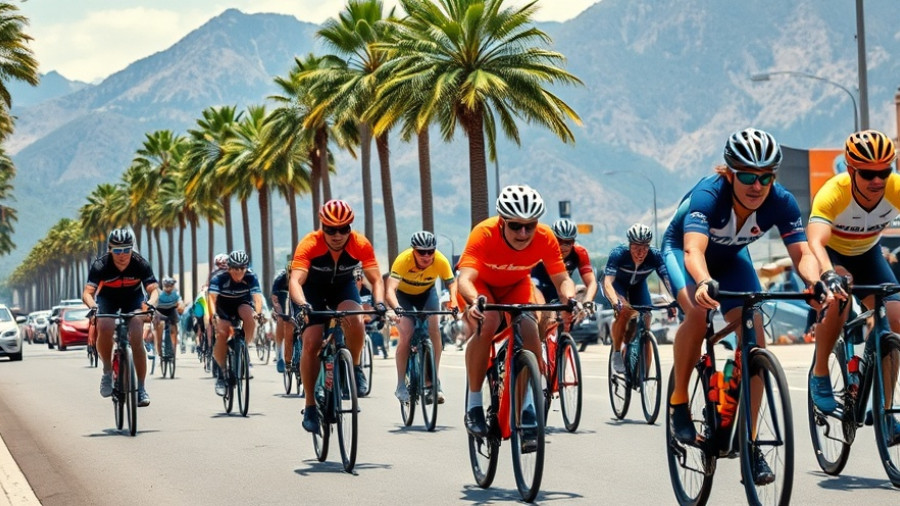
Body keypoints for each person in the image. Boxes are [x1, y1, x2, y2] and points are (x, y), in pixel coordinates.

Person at [662, 128, 828, 485]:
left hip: (733, 261)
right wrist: (704, 282)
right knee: (697, 309)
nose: (757, 185)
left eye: (766, 177)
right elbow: (693, 251)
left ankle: (750, 444)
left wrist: (813, 283)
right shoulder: (710, 195)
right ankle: (678, 401)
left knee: (755, 338)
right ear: (730, 173)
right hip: (685, 254)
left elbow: (802, 255)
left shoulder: (780, 202)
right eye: (748, 176)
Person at [458, 185, 581, 437]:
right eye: (515, 226)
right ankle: (473, 405)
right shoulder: (483, 233)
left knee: (530, 328)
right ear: (502, 221)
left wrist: (570, 299)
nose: (523, 232)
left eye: (530, 225)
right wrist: (474, 301)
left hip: (516, 285)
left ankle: (526, 406)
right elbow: (465, 279)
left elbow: (563, 280)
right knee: (488, 321)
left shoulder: (545, 237)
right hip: (482, 287)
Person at [807, 129, 900, 440]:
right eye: (868, 173)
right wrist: (827, 273)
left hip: (868, 253)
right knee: (838, 296)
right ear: (850, 170)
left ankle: (885, 410)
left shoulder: (895, 187)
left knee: (896, 317)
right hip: (833, 254)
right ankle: (820, 373)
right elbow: (816, 242)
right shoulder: (834, 193)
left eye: (884, 172)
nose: (877, 181)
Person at [289, 200, 388, 433]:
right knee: (312, 341)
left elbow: (376, 279)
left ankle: (354, 367)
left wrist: (380, 302)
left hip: (342, 288)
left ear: (350, 228)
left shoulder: (360, 244)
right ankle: (311, 405)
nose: (337, 235)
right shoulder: (310, 244)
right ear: (322, 226)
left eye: (343, 229)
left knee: (355, 319)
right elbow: (295, 280)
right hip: (311, 292)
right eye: (330, 229)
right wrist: (303, 304)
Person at [82, 228, 160, 407]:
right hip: (107, 299)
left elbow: (154, 290)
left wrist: (151, 304)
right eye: (117, 251)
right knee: (106, 326)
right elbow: (87, 293)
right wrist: (93, 306)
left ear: (132, 249)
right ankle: (107, 371)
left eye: (126, 250)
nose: (122, 255)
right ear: (110, 249)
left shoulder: (140, 263)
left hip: (133, 298)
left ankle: (141, 388)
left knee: (137, 338)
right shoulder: (101, 265)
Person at [385, 231, 458, 404]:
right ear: (413, 251)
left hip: (427, 294)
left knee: (434, 330)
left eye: (430, 251)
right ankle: (401, 385)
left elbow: (451, 283)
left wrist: (454, 302)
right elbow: (390, 290)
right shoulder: (403, 260)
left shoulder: (440, 260)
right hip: (404, 296)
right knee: (407, 333)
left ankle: (435, 381)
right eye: (421, 252)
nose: (426, 256)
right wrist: (397, 309)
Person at [602, 223, 672, 375]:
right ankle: (616, 352)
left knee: (646, 317)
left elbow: (667, 280)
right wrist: (616, 303)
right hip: (617, 286)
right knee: (625, 311)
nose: (640, 253)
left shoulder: (655, 256)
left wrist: (675, 299)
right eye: (636, 248)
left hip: (638, 286)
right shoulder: (619, 254)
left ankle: (643, 370)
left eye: (645, 248)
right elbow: (608, 282)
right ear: (629, 245)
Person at [208, 250, 265, 397]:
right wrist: (214, 315)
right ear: (229, 267)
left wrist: (258, 313)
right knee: (222, 333)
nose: (239, 271)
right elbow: (212, 299)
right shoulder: (219, 278)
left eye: (242, 268)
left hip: (242, 304)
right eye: (235, 268)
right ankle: (221, 375)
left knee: (250, 316)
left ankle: (243, 347)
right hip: (223, 307)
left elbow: (257, 298)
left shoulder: (251, 277)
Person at [531, 218, 597, 336]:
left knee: (578, 297)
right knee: (546, 320)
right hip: (540, 287)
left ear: (573, 242)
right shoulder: (542, 249)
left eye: (568, 242)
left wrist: (588, 301)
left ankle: (563, 346)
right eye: (559, 241)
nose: (562, 246)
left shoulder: (579, 253)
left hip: (562, 289)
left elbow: (591, 282)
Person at [153, 276, 184, 358]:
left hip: (171, 311)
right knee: (159, 331)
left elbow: (180, 301)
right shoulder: (159, 294)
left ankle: (173, 352)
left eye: (170, 286)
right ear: (163, 286)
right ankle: (159, 354)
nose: (168, 288)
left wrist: (181, 305)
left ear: (173, 286)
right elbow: (153, 303)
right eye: (166, 286)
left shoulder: (175, 293)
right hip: (160, 312)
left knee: (174, 329)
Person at [271, 265, 291, 373]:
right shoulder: (280, 279)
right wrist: (279, 313)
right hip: (281, 297)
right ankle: (279, 353)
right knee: (281, 320)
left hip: (294, 296)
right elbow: (275, 299)